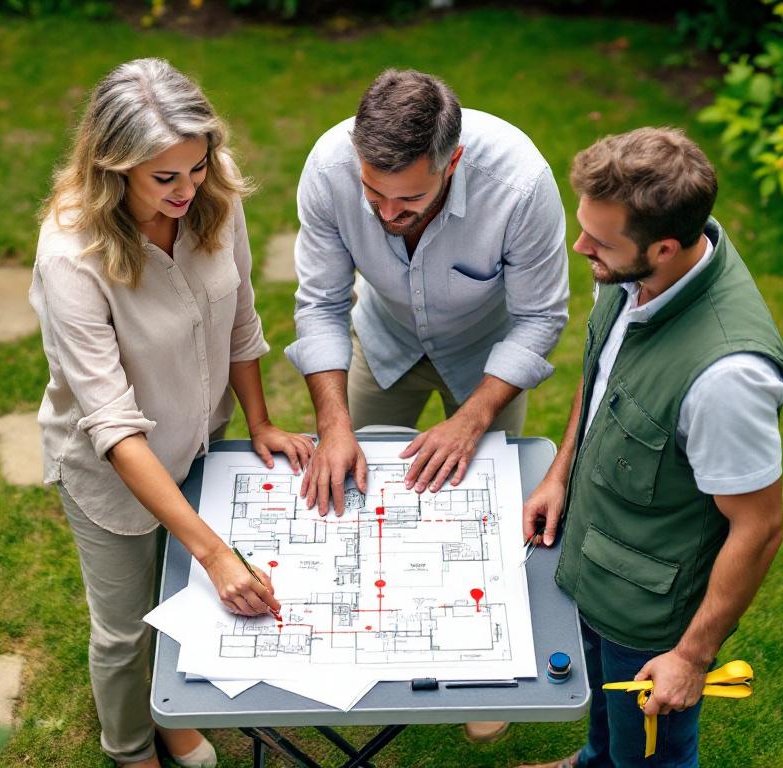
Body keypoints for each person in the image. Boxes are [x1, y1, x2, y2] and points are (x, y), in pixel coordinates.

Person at [30, 58, 314, 768]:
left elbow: (241, 317)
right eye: (166, 178)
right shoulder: (71, 256)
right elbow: (114, 427)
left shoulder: (214, 197)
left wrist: (259, 421)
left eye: (198, 164)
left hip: (202, 436)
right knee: (126, 628)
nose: (189, 188)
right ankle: (131, 748)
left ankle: (173, 714)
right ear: (113, 167)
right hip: (110, 471)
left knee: (186, 593)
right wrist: (216, 551)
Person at [517, 128, 783, 768]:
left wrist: (691, 658)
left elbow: (759, 527)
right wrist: (561, 471)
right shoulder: (631, 266)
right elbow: (605, 370)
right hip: (590, 555)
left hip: (649, 610)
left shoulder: (728, 379)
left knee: (653, 755)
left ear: (664, 248)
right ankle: (593, 760)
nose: (579, 247)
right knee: (604, 716)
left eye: (597, 241)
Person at [287, 68, 570, 517]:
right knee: (350, 488)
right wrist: (333, 424)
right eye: (373, 194)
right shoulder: (328, 169)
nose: (388, 213)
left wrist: (471, 421)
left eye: (409, 199)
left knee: (482, 511)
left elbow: (540, 318)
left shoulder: (521, 186)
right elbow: (322, 303)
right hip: (384, 342)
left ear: (452, 162)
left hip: (486, 359)